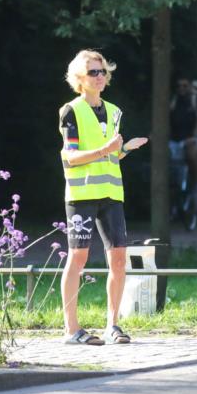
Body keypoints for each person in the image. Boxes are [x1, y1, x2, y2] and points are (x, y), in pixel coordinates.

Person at [58, 49, 148, 345]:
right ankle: (72, 329)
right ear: (79, 79)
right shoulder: (71, 110)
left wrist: (125, 149)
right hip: (82, 193)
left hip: (111, 193)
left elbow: (111, 154)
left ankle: (113, 325)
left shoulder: (115, 111)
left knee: (119, 258)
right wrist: (106, 150)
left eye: (103, 72)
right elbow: (70, 157)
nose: (100, 77)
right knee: (78, 257)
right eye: (93, 73)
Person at [169, 76, 197, 198]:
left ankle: (196, 182)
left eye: (185, 86)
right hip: (174, 140)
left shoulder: (196, 101)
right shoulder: (173, 101)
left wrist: (193, 136)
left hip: (192, 138)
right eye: (179, 86)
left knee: (191, 154)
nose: (181, 88)